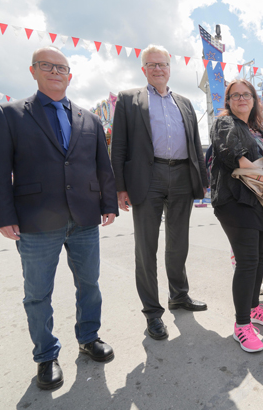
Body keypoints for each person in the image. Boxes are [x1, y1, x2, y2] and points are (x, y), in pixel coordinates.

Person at [0, 46, 118, 391]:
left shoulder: (90, 119)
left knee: (89, 284)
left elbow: (102, 167)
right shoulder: (9, 114)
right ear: (33, 71)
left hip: (85, 218)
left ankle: (89, 337)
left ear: (70, 75)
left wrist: (108, 204)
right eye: (48, 66)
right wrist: (2, 216)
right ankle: (46, 355)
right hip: (35, 221)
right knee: (38, 294)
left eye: (62, 68)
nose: (56, 72)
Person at [111, 44, 209, 342]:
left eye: (162, 64)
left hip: (181, 174)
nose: (158, 69)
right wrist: (119, 187)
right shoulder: (129, 100)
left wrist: (201, 179)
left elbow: (195, 143)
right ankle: (152, 313)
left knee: (179, 243)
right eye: (151, 65)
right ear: (144, 69)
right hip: (147, 176)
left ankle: (179, 295)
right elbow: (119, 146)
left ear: (170, 67)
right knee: (146, 248)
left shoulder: (185, 102)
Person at [210, 79, 263, 353]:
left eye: (247, 95)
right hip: (236, 201)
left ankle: (254, 308)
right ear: (228, 101)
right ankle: (241, 325)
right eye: (235, 95)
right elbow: (240, 161)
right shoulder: (225, 124)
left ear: (255, 100)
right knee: (246, 262)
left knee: (259, 261)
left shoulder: (261, 130)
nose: (241, 99)